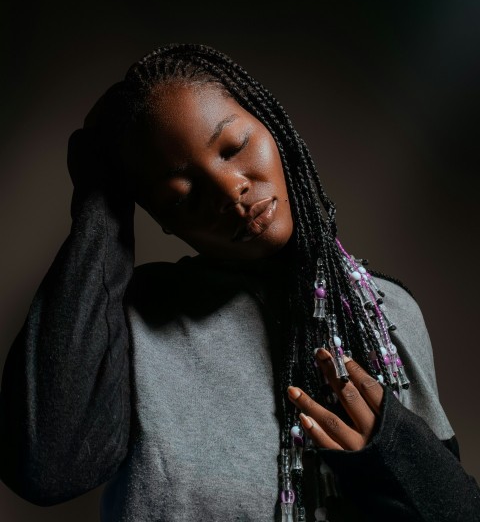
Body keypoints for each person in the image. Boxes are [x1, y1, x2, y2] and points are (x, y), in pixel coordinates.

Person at [0, 43, 479, 522]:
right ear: (165, 221)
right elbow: (45, 469)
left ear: (271, 125)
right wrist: (99, 207)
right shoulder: (134, 321)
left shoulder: (384, 314)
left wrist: (395, 452)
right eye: (183, 196)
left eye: (234, 147)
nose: (231, 191)